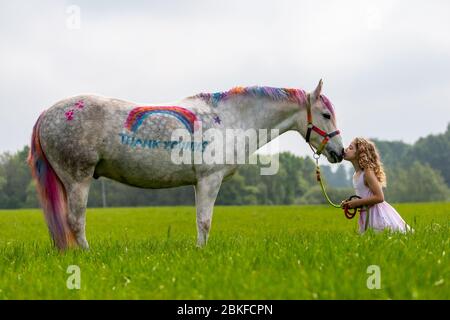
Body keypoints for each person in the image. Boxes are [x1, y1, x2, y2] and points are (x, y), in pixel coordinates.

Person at [341, 137, 412, 234]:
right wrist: (351, 204)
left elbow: (380, 197)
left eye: (350, 148)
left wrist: (357, 203)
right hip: (366, 213)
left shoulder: (367, 173)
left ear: (360, 154)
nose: (345, 150)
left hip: (376, 214)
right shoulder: (356, 175)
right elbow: (364, 197)